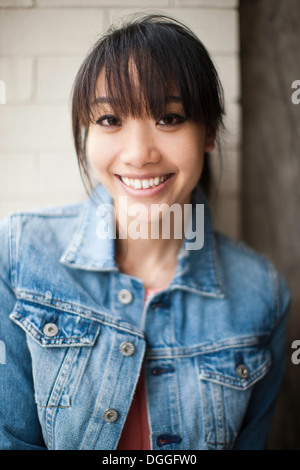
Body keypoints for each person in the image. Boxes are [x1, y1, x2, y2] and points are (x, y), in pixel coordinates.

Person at [0, 14, 290, 450]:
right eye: (111, 119)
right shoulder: (20, 255)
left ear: (209, 131)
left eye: (169, 118)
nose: (138, 154)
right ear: (86, 129)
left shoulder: (261, 294)